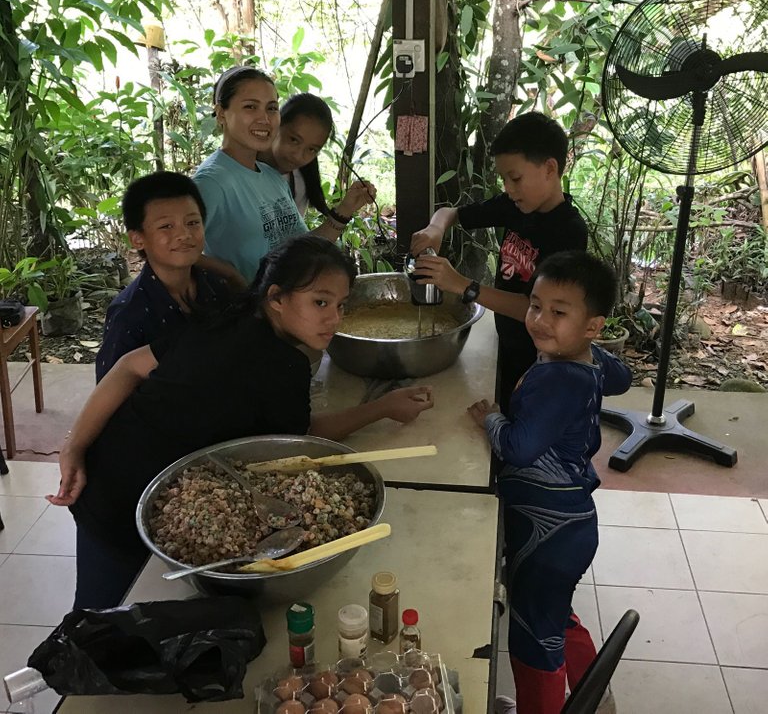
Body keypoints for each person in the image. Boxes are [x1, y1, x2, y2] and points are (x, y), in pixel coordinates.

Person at [47, 235, 434, 610]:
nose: (334, 318)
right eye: (320, 302)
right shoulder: (282, 365)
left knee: (100, 615)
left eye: (341, 305)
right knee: (97, 623)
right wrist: (382, 407)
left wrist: (76, 446)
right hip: (127, 499)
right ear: (277, 298)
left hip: (105, 467)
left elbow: (130, 365)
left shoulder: (226, 314)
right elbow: (303, 438)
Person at [467, 251, 632, 714]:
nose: (539, 319)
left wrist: (492, 419)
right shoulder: (585, 363)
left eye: (559, 313)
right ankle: (591, 694)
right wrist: (586, 349)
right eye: (535, 305)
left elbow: (518, 447)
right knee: (553, 615)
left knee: (531, 632)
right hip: (571, 523)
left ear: (593, 325)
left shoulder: (556, 380)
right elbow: (621, 376)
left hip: (548, 531)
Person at [410, 112, 587, 411]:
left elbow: (534, 309)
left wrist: (462, 285)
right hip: (506, 342)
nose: (508, 188)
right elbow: (450, 213)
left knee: (525, 424)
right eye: (504, 179)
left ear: (550, 168)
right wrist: (435, 229)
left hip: (539, 358)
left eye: (515, 178)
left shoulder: (568, 231)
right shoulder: (515, 206)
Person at [194, 67, 371, 286]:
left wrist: (345, 210)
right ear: (221, 113)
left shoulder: (271, 176)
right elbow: (171, 251)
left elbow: (301, 251)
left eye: (271, 108)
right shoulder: (212, 181)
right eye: (250, 107)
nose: (264, 119)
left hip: (281, 310)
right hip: (243, 315)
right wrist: (231, 275)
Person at [95, 171, 231, 382]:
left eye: (193, 223)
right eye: (167, 226)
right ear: (137, 239)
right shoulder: (129, 314)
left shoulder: (218, 288)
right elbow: (110, 393)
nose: (184, 234)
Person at [258, 92, 376, 221]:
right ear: (277, 123)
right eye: (294, 140)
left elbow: (296, 240)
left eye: (311, 149)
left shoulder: (299, 181)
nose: (298, 156)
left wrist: (346, 208)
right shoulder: (239, 171)